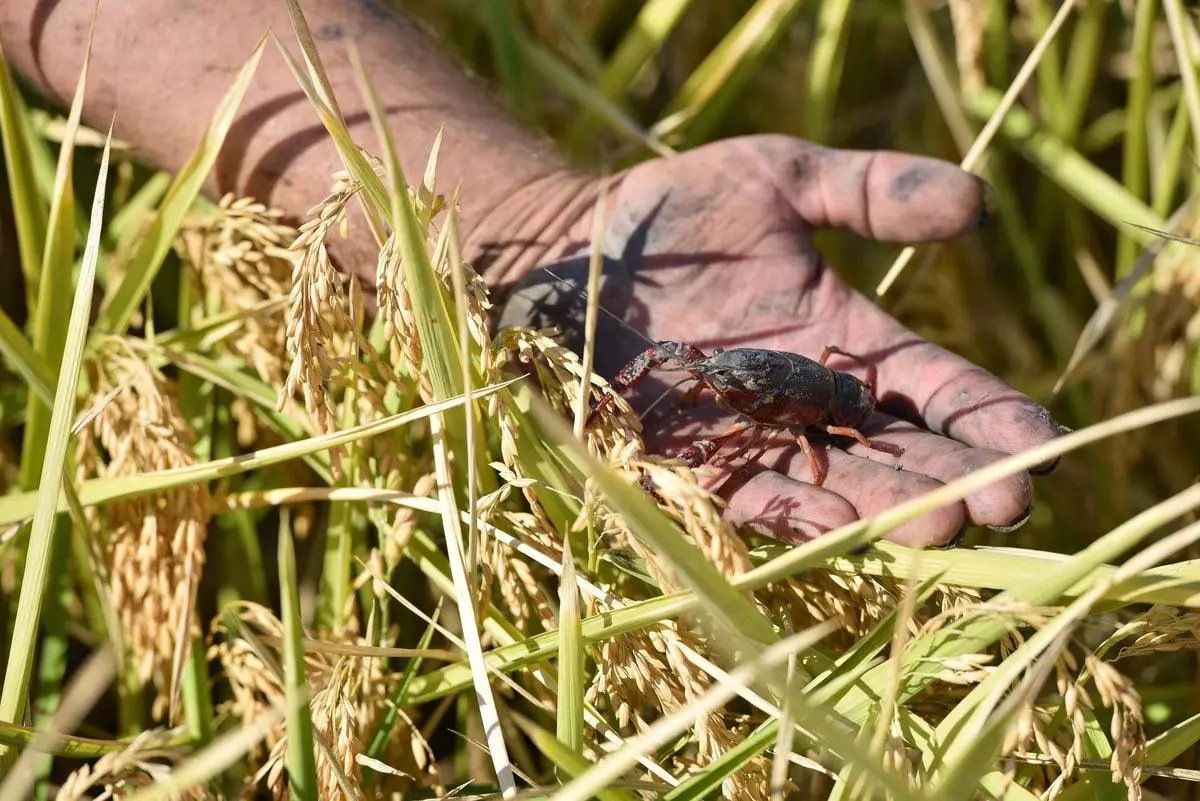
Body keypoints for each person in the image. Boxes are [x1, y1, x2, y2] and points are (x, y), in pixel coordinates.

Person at [0, 0, 1064, 548]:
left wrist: (522, 225)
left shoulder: (813, 402)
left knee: (760, 418)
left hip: (830, 402)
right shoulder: (734, 368)